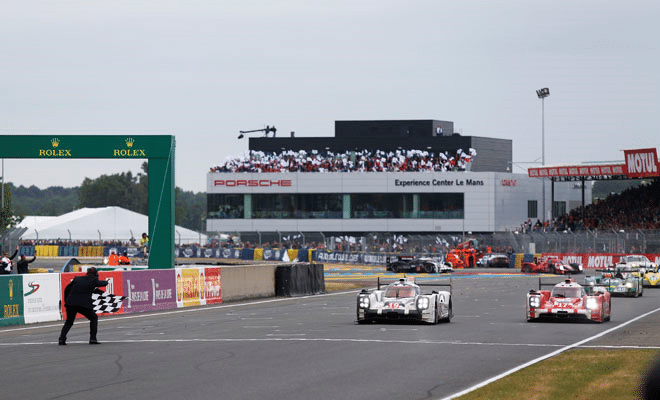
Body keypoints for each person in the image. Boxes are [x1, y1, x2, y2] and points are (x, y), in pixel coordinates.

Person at [58, 267, 108, 345]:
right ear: (95, 275)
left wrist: (66, 301)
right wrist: (106, 281)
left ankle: (62, 339)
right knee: (94, 318)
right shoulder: (93, 280)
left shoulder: (77, 279)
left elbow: (67, 289)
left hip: (71, 303)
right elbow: (103, 283)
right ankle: (93, 339)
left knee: (69, 321)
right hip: (83, 304)